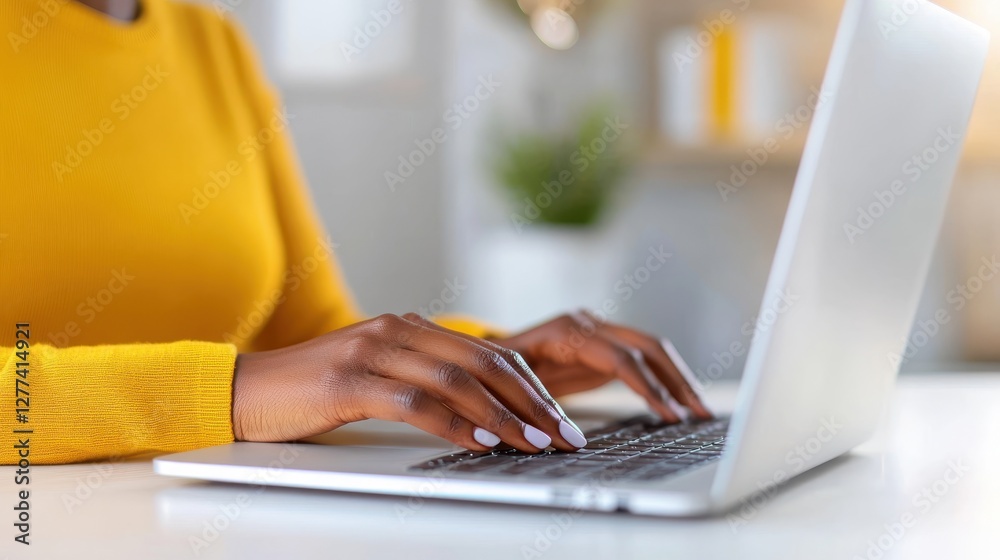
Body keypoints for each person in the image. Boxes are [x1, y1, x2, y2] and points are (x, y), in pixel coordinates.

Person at [0, 0, 710, 465]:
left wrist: (487, 364)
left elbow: (313, 334)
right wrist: (231, 389)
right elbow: (268, 378)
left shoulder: (210, 43)